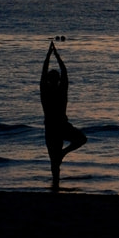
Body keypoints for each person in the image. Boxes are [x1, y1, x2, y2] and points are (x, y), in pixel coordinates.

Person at [41, 41, 88, 190]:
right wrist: (56, 56)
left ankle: (56, 182)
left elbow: (44, 73)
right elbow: (64, 73)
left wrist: (49, 56)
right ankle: (55, 184)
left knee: (54, 160)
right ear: (57, 80)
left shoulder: (46, 91)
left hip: (55, 127)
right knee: (77, 142)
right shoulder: (57, 91)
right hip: (58, 126)